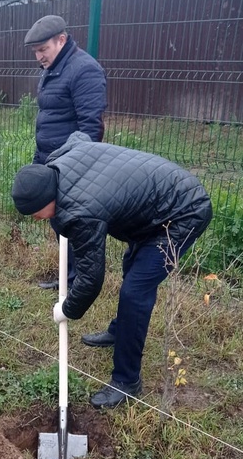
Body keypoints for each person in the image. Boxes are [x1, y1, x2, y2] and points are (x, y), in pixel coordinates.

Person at [11, 132, 212, 409]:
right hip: (153, 209)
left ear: (48, 198)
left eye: (36, 213)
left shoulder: (81, 211)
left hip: (183, 212)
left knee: (135, 292)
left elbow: (91, 279)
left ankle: (127, 382)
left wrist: (67, 309)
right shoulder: (57, 162)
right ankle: (120, 332)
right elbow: (78, 137)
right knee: (133, 267)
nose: (35, 219)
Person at [24, 15, 107, 290]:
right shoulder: (53, 68)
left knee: (75, 225)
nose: (38, 57)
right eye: (35, 51)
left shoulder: (84, 70)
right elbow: (50, 117)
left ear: (62, 39)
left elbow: (91, 126)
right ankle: (67, 276)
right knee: (58, 223)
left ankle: (82, 282)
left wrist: (77, 168)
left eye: (43, 49)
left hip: (71, 165)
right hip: (50, 159)